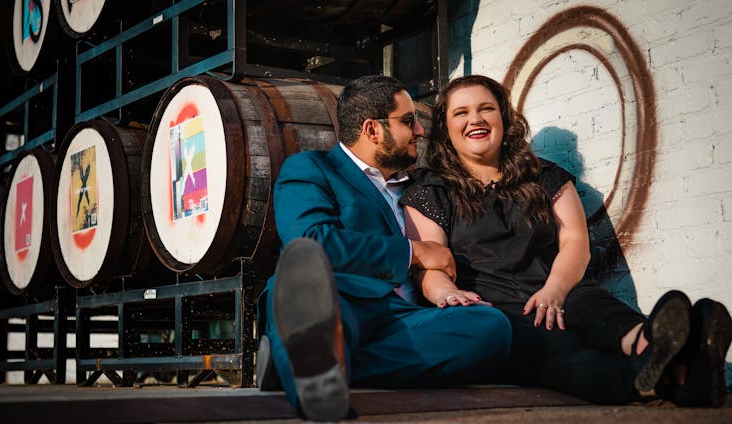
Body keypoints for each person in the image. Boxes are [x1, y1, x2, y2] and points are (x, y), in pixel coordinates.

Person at [401, 74, 732, 406]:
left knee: (601, 312)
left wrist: (555, 291)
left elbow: (575, 241)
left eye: (486, 108)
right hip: (497, 311)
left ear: (502, 117)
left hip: (560, 289)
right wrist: (449, 295)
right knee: (562, 356)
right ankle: (682, 368)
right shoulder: (430, 190)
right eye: (461, 112)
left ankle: (650, 345)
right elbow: (429, 265)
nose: (475, 118)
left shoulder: (545, 175)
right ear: (445, 127)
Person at [256, 75, 513, 421]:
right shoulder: (313, 169)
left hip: (403, 318)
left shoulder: (421, 185)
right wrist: (414, 252)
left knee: (490, 328)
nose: (419, 132)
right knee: (306, 298)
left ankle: (324, 367)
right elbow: (311, 241)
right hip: (338, 299)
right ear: (372, 130)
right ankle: (316, 367)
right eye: (408, 121)